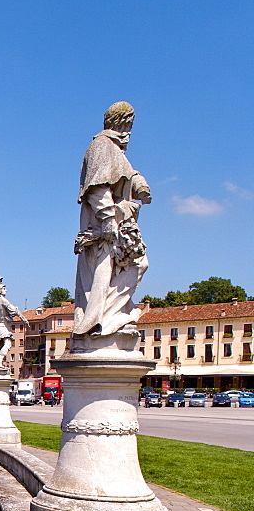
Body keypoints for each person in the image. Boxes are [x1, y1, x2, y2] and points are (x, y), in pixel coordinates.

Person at [73, 101, 151, 348]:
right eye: (129, 125)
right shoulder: (101, 146)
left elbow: (125, 172)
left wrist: (139, 184)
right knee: (109, 273)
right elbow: (97, 188)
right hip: (106, 230)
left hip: (120, 226)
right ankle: (102, 322)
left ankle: (113, 317)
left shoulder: (114, 151)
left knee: (135, 265)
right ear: (124, 123)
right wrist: (108, 221)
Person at [0, 277, 29, 373]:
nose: (6, 290)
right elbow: (13, 310)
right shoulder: (3, 300)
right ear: (0, 290)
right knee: (8, 344)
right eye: (4, 288)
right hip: (3, 327)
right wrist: (23, 319)